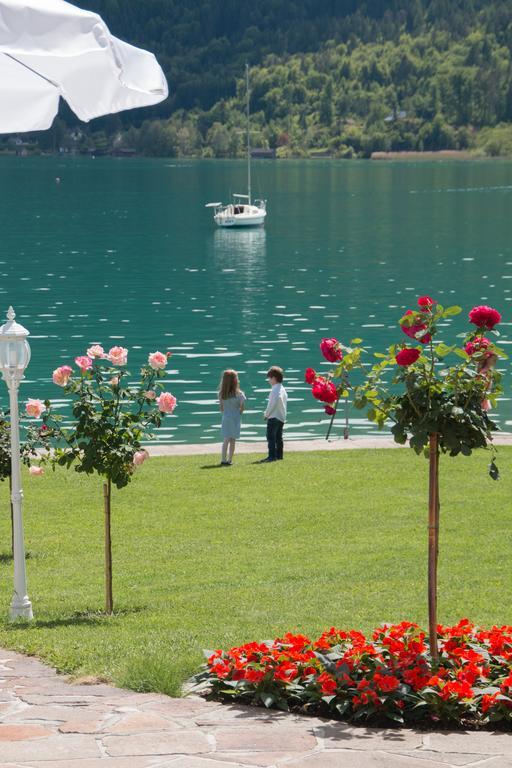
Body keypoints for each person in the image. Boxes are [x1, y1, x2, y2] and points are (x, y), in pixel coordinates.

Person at [219, 369, 246, 465]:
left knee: (226, 439)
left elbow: (221, 408)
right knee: (233, 439)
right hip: (235, 418)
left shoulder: (222, 394)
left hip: (226, 417)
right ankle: (230, 460)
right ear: (235, 381)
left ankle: (223, 459)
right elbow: (242, 407)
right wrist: (239, 412)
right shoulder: (239, 394)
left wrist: (226, 411)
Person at [262, 365, 287, 462]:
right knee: (278, 438)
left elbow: (273, 403)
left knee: (270, 437)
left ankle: (272, 456)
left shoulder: (275, 390)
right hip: (281, 416)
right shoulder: (282, 389)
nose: (269, 380)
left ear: (274, 378)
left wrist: (266, 414)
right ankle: (279, 455)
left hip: (273, 417)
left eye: (270, 378)